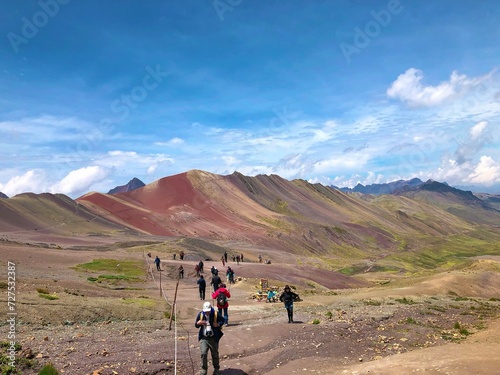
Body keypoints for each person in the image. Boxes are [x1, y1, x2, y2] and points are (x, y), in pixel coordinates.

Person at [195, 302, 224, 375]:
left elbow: (223, 320)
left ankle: (216, 369)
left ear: (210, 309)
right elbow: (196, 325)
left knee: (214, 354)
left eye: (208, 311)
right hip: (204, 338)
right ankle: (203, 370)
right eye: (206, 311)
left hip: (213, 338)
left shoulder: (215, 314)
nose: (207, 313)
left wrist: (218, 324)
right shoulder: (201, 314)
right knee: (203, 353)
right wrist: (199, 323)